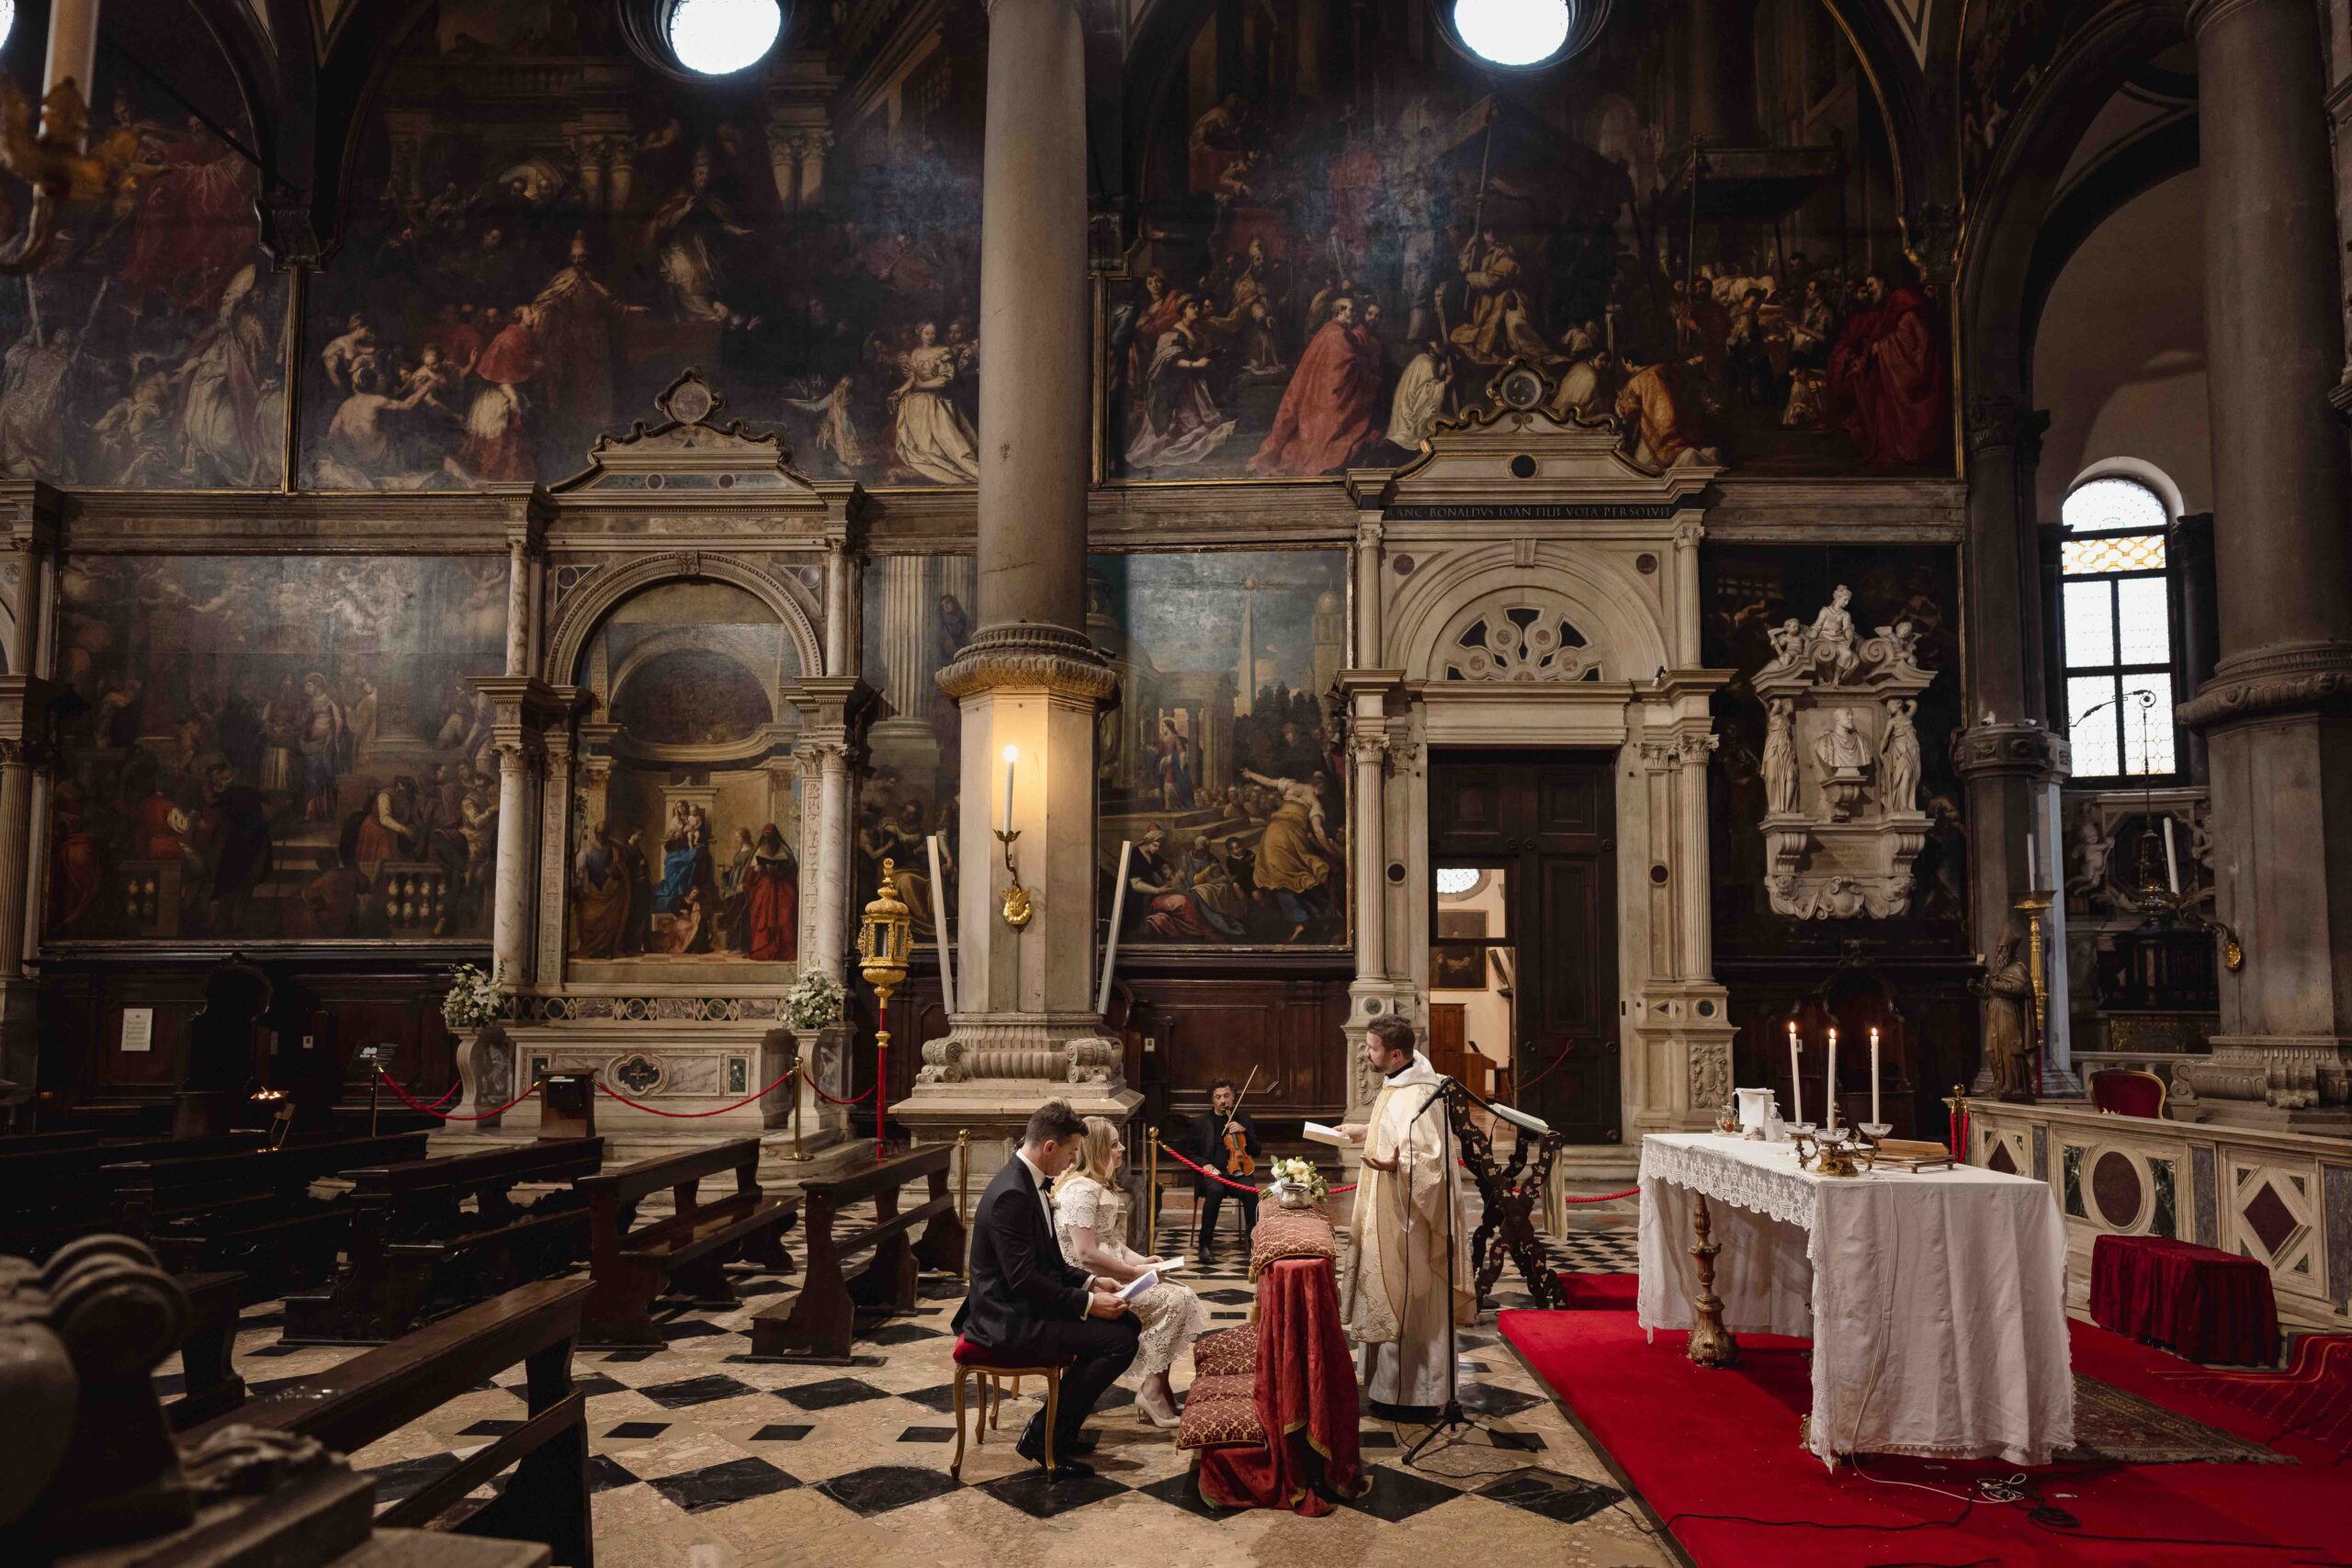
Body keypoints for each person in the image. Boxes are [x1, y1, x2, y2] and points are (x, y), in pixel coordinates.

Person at [953, 1101, 1140, 1476]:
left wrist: (1091, 1281)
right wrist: (1088, 1303)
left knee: (1128, 1327)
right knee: (1118, 1341)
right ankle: (1044, 1435)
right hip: (1006, 1319)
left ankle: (1060, 1429)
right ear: (1050, 1147)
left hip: (1023, 1306)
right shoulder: (1013, 1194)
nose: (1073, 1162)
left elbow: (1050, 1262)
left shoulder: (1028, 1183)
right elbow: (1024, 1281)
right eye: (1071, 1152)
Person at [1336, 1016, 1476, 1418]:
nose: (1366, 1053)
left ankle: (1416, 1394)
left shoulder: (1419, 1094)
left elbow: (1429, 1160)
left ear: (1395, 1054)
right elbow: (1397, 1131)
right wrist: (1365, 1131)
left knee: (1410, 1298)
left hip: (1411, 1220)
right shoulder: (1400, 1082)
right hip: (1391, 1207)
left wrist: (1395, 1167)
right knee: (1388, 1293)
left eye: (1373, 1047)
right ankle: (1387, 1388)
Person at [1052, 1116, 1207, 1428]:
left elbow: (1111, 1243)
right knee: (1179, 1301)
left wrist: (1146, 1263)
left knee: (1180, 1296)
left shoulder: (1097, 1185)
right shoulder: (1081, 1190)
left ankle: (1158, 1388)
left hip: (1112, 1275)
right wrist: (1134, 1272)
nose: (1121, 1148)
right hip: (1091, 1285)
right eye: (1113, 1144)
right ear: (1096, 1150)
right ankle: (1151, 1391)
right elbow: (1086, 1254)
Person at [1190, 1078, 1263, 1263]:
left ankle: (1254, 1243)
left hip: (1238, 1172)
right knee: (1215, 1191)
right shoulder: (1201, 1122)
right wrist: (1205, 1164)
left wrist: (1244, 1131)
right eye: (1218, 1097)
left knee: (1251, 1192)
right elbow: (1189, 1153)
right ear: (1213, 1100)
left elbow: (1257, 1151)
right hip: (1213, 1173)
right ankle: (1205, 1245)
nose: (1223, 1101)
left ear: (1233, 1097)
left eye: (1226, 1096)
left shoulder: (1243, 1119)